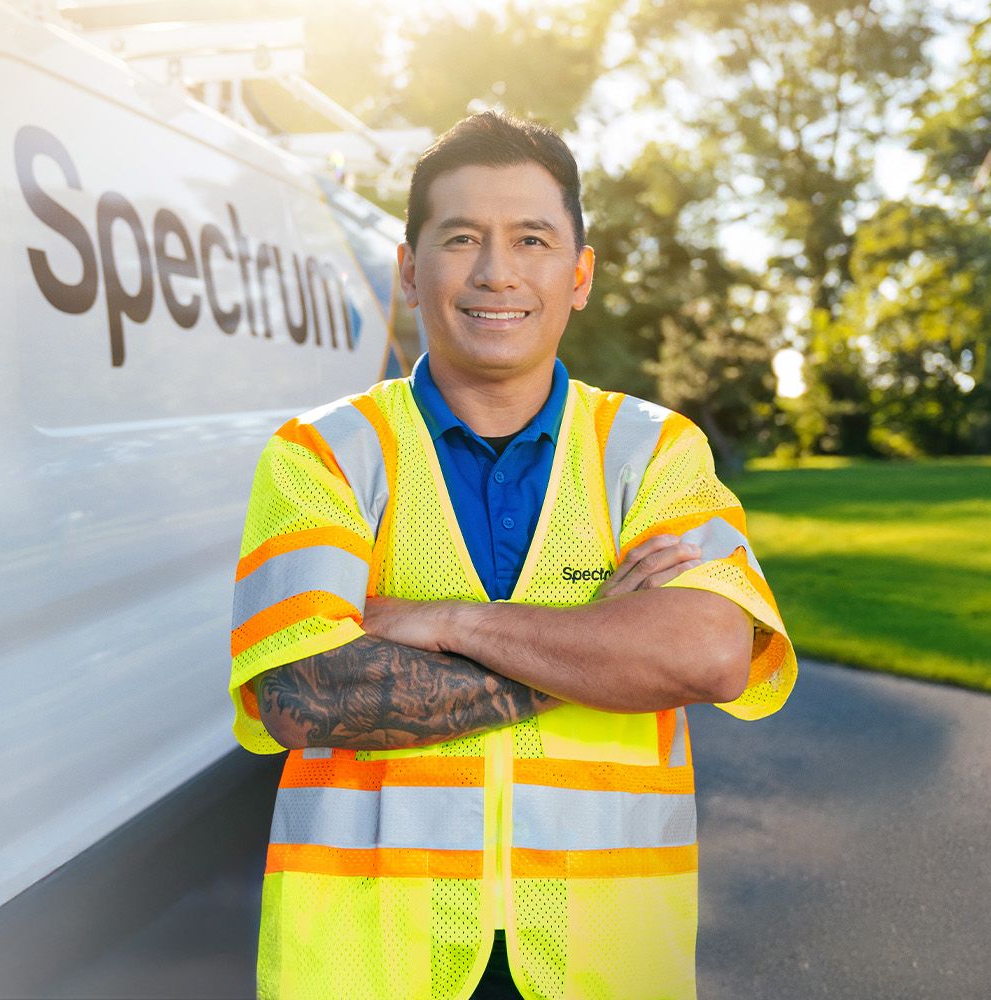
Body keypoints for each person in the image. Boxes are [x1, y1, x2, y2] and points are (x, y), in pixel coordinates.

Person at [227, 110, 797, 1000]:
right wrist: (606, 647)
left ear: (578, 275)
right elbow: (303, 695)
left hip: (604, 965)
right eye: (461, 238)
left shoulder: (653, 451)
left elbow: (714, 653)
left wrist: (452, 622)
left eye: (532, 239)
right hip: (369, 965)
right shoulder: (324, 453)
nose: (497, 272)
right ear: (410, 272)